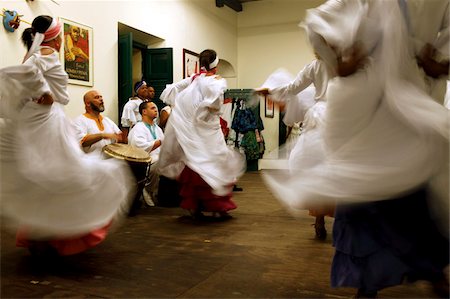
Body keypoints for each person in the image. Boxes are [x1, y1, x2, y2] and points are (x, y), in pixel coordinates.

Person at [262, 1, 449, 297]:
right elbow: (316, 21)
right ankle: (370, 281)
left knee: (416, 176)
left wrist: (442, 61)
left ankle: (429, 267)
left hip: (410, 93)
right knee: (360, 184)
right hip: (361, 103)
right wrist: (338, 64)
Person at [0, 15, 133, 256]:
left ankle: (42, 237)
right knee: (69, 176)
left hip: (34, 125)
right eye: (62, 36)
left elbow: (21, 78)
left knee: (44, 179)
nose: (63, 41)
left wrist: (38, 91)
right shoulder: (48, 58)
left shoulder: (33, 58)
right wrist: (44, 91)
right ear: (56, 38)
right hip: (49, 125)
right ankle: (60, 236)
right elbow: (56, 93)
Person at [157, 49, 245, 219]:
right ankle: (217, 207)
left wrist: (190, 110)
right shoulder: (216, 81)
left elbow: (172, 89)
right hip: (208, 128)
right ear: (216, 64)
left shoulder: (195, 78)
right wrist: (206, 110)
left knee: (194, 161)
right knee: (214, 161)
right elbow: (214, 103)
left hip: (194, 128)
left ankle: (195, 207)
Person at [259, 58, 335, 240]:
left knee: (321, 169)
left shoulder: (314, 70)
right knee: (322, 170)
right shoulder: (319, 67)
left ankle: (324, 219)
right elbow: (292, 91)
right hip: (327, 123)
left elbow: (292, 88)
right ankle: (322, 219)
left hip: (325, 122)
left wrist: (271, 91)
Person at [128, 101, 164, 206]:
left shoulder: (157, 128)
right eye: (152, 108)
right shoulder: (138, 128)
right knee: (158, 162)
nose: (156, 110)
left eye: (156, 108)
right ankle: (147, 189)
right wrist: (161, 141)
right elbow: (140, 147)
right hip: (143, 160)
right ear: (144, 111)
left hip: (157, 157)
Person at [73, 90, 123, 155]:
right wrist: (102, 135)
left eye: (101, 97)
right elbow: (82, 142)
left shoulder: (107, 120)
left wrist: (120, 138)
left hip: (110, 161)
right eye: (97, 97)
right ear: (88, 103)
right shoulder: (79, 121)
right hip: (90, 163)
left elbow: (119, 137)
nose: (101, 99)